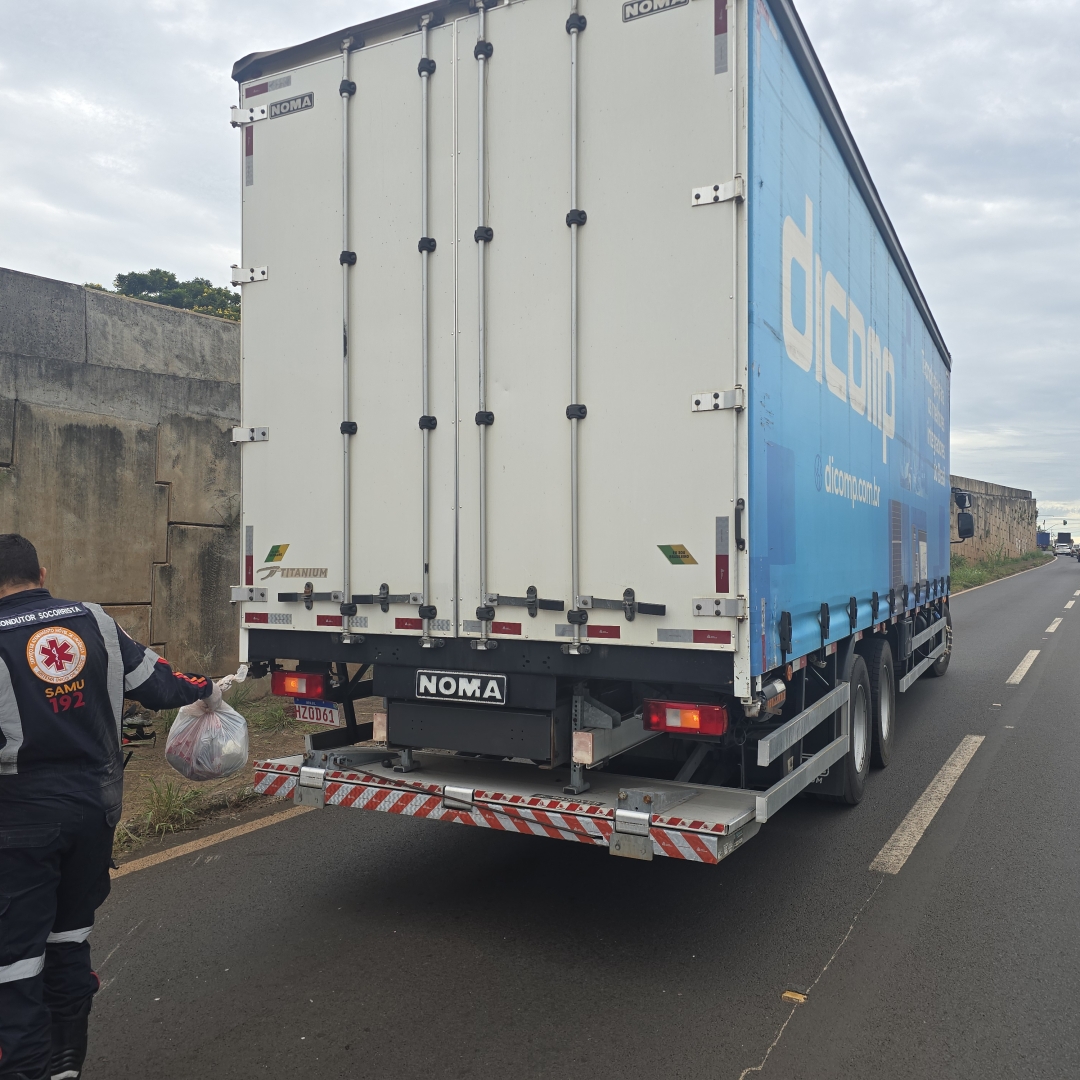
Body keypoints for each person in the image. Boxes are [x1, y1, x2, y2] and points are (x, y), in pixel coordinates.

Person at [0, 535, 221, 1080]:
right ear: (43, 572)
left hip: (19, 820)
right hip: (95, 809)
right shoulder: (95, 619)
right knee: (69, 937)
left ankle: (27, 1069)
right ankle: (65, 1061)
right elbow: (161, 684)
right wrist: (209, 691)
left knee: (15, 961)